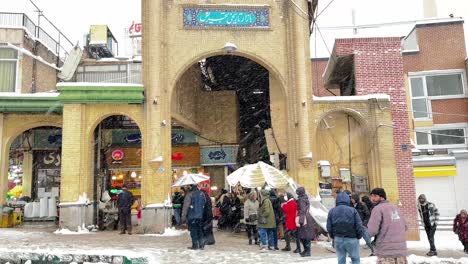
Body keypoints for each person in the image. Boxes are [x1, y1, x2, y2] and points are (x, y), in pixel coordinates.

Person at [367, 188, 407, 264]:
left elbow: (372, 231)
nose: (372, 198)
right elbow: (405, 226)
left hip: (386, 252)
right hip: (401, 251)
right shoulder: (396, 208)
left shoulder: (377, 209)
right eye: (371, 196)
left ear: (382, 197)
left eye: (375, 196)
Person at [327, 192, 363, 264]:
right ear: (348, 200)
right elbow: (359, 225)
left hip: (338, 238)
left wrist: (333, 236)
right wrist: (359, 236)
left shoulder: (332, 211)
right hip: (352, 238)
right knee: (355, 258)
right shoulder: (353, 210)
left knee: (341, 259)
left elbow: (329, 226)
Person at [182, 184, 206, 250]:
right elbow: (204, 203)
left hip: (192, 216)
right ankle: (201, 244)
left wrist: (183, 218)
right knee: (200, 230)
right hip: (200, 216)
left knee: (193, 231)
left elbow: (185, 207)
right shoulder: (202, 194)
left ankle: (195, 245)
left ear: (191, 187)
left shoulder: (189, 195)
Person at [296, 187, 315, 257]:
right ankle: (306, 250)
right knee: (304, 235)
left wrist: (301, 220)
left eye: (297, 191)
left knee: (304, 236)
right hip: (306, 217)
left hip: (304, 218)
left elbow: (302, 210)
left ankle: (307, 251)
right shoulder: (304, 198)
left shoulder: (301, 200)